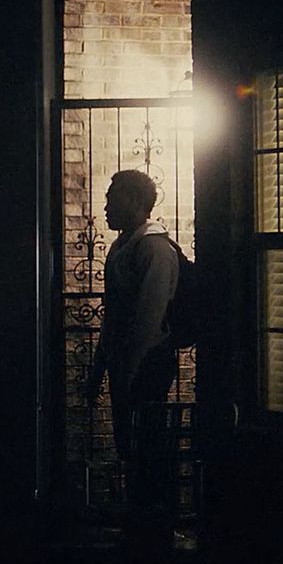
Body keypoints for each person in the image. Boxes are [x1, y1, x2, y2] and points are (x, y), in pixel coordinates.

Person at [86, 170, 180, 514]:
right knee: (130, 442)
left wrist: (128, 369)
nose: (107, 205)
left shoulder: (154, 248)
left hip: (147, 364)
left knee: (147, 443)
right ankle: (141, 514)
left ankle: (154, 517)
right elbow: (114, 317)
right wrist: (101, 367)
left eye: (114, 198)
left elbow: (148, 317)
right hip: (127, 364)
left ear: (137, 203)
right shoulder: (123, 246)